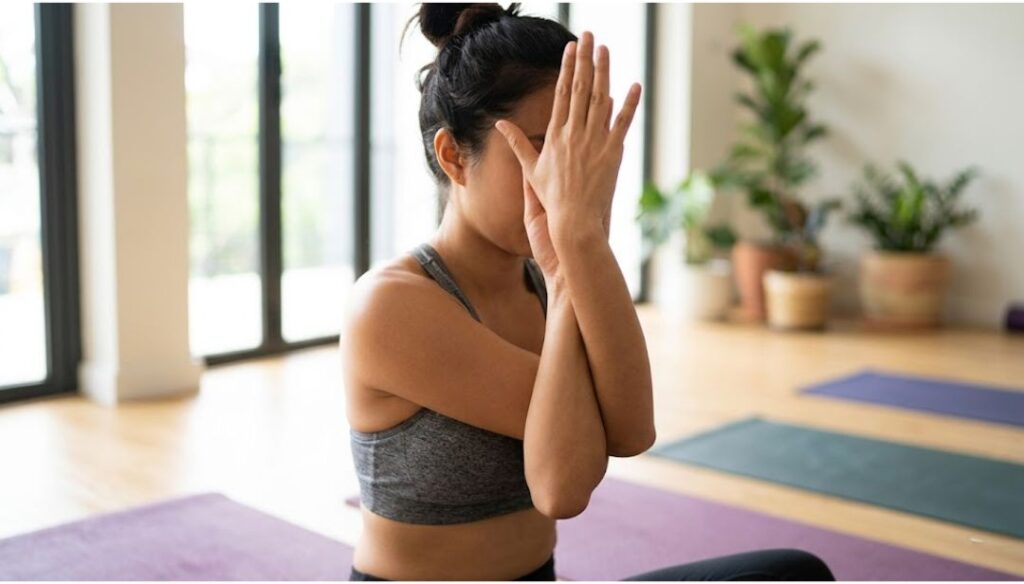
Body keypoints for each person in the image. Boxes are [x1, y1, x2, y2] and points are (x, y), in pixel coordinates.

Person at [341, 3, 836, 581]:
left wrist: (582, 248)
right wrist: (569, 263)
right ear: (453, 156)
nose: (564, 182)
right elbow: (562, 486)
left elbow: (632, 431)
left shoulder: (545, 275)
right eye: (540, 150)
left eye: (576, 154)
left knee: (794, 572)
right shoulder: (392, 306)